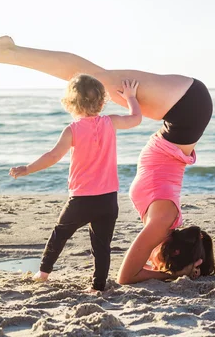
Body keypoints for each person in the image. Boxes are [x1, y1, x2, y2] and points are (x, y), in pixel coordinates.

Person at [0, 36, 215, 284]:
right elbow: (127, 276)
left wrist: (172, 272)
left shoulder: (163, 223)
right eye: (159, 262)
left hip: (184, 116)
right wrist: (171, 275)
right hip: (186, 110)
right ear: (171, 254)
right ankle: (8, 52)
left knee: (90, 77)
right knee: (87, 78)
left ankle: (9, 53)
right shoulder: (161, 225)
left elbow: (137, 270)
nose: (153, 262)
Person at [8, 74, 142, 292]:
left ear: (71, 103)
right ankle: (98, 287)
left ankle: (43, 273)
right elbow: (136, 118)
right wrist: (131, 97)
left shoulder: (72, 129)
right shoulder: (111, 122)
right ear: (101, 101)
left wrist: (28, 169)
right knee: (101, 247)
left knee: (59, 235)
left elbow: (53, 156)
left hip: (80, 200)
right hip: (108, 200)